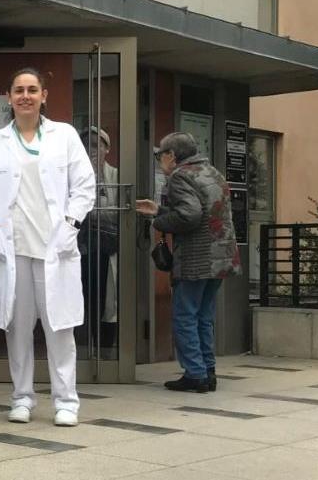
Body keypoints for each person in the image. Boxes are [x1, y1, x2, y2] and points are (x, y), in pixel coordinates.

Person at [0, 67, 95, 427]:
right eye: (18, 90)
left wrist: (71, 225)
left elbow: (84, 187)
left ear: (44, 95)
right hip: (14, 250)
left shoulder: (65, 136)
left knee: (60, 328)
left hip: (55, 248)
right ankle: (22, 397)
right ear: (9, 98)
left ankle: (66, 401)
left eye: (32, 90)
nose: (25, 96)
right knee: (18, 327)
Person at [135, 132, 240, 393]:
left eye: (161, 155)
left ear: (171, 155)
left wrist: (158, 222)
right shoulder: (211, 172)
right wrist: (158, 209)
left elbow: (189, 215)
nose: (160, 161)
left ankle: (195, 373)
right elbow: (200, 209)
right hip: (220, 258)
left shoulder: (180, 176)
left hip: (196, 258)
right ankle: (207, 371)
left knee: (185, 316)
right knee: (204, 316)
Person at [80, 127, 119, 356]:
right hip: (82, 246)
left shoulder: (115, 175)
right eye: (87, 145)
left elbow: (117, 212)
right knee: (84, 298)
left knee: (108, 301)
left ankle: (105, 351)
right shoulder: (75, 173)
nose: (91, 151)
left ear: (107, 149)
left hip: (108, 247)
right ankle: (85, 351)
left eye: (97, 145)